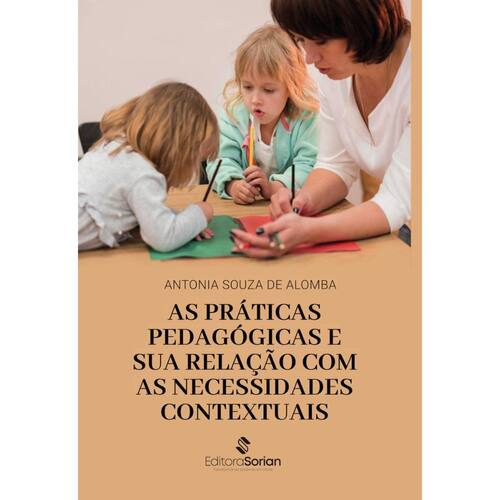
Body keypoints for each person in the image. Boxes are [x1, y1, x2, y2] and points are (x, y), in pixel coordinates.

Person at [232, 0, 411, 257]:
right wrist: (302, 201)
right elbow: (335, 165)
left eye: (321, 41)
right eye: (301, 40)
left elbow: (397, 200)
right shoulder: (336, 74)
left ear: (361, 21)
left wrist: (308, 231)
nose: (309, 58)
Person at [79, 82, 218, 252]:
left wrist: (186, 224)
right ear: (178, 150)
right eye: (195, 160)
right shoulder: (141, 173)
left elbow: (146, 211)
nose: (194, 170)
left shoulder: (115, 147)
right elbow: (163, 238)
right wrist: (201, 213)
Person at [206, 24, 319, 205]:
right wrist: (233, 185)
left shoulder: (306, 118)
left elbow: (309, 166)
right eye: (247, 87)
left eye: (268, 90)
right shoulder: (233, 115)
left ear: (291, 87)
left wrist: (274, 188)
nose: (255, 99)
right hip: (244, 210)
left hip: (290, 208)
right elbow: (220, 160)